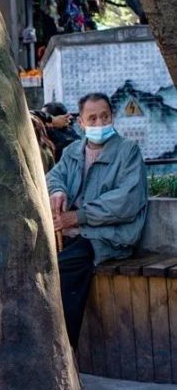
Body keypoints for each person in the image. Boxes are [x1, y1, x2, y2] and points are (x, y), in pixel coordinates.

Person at [46, 92, 148, 349]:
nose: (99, 123)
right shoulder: (72, 151)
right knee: (36, 263)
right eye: (92, 118)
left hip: (109, 237)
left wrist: (77, 216)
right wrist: (56, 191)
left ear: (112, 117)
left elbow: (125, 202)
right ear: (81, 123)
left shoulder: (128, 151)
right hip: (74, 233)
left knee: (62, 269)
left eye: (104, 116)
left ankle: (65, 352)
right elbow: (53, 177)